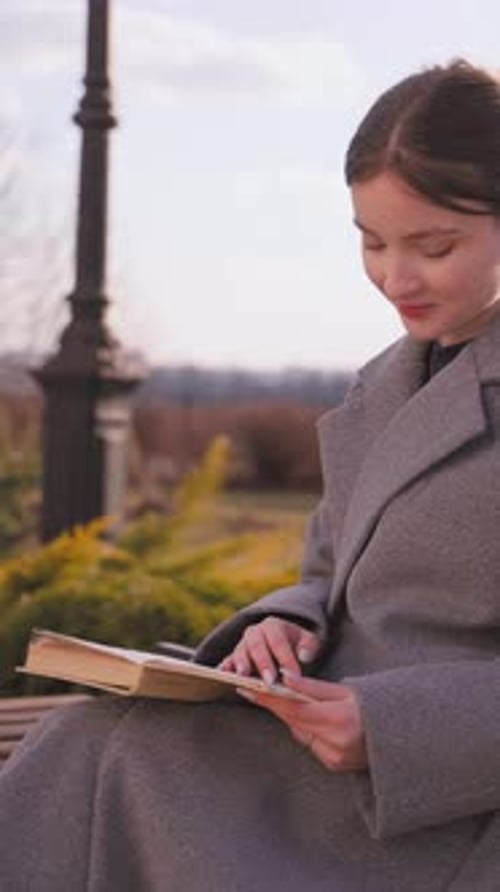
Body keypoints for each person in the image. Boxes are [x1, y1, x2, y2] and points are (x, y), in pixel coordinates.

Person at [1, 58, 500, 891]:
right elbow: (328, 572)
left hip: (436, 805)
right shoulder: (386, 380)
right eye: (371, 242)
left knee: (107, 761)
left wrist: (396, 729)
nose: (395, 277)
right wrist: (282, 625)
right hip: (319, 748)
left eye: (434, 245)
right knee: (86, 742)